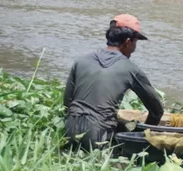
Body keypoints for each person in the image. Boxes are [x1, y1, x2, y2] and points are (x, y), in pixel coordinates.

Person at [64, 14, 164, 150]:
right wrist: (139, 136)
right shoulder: (130, 69)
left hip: (69, 131)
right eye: (135, 42)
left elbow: (67, 103)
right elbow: (157, 111)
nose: (134, 49)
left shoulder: (81, 60)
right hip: (98, 136)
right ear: (128, 42)